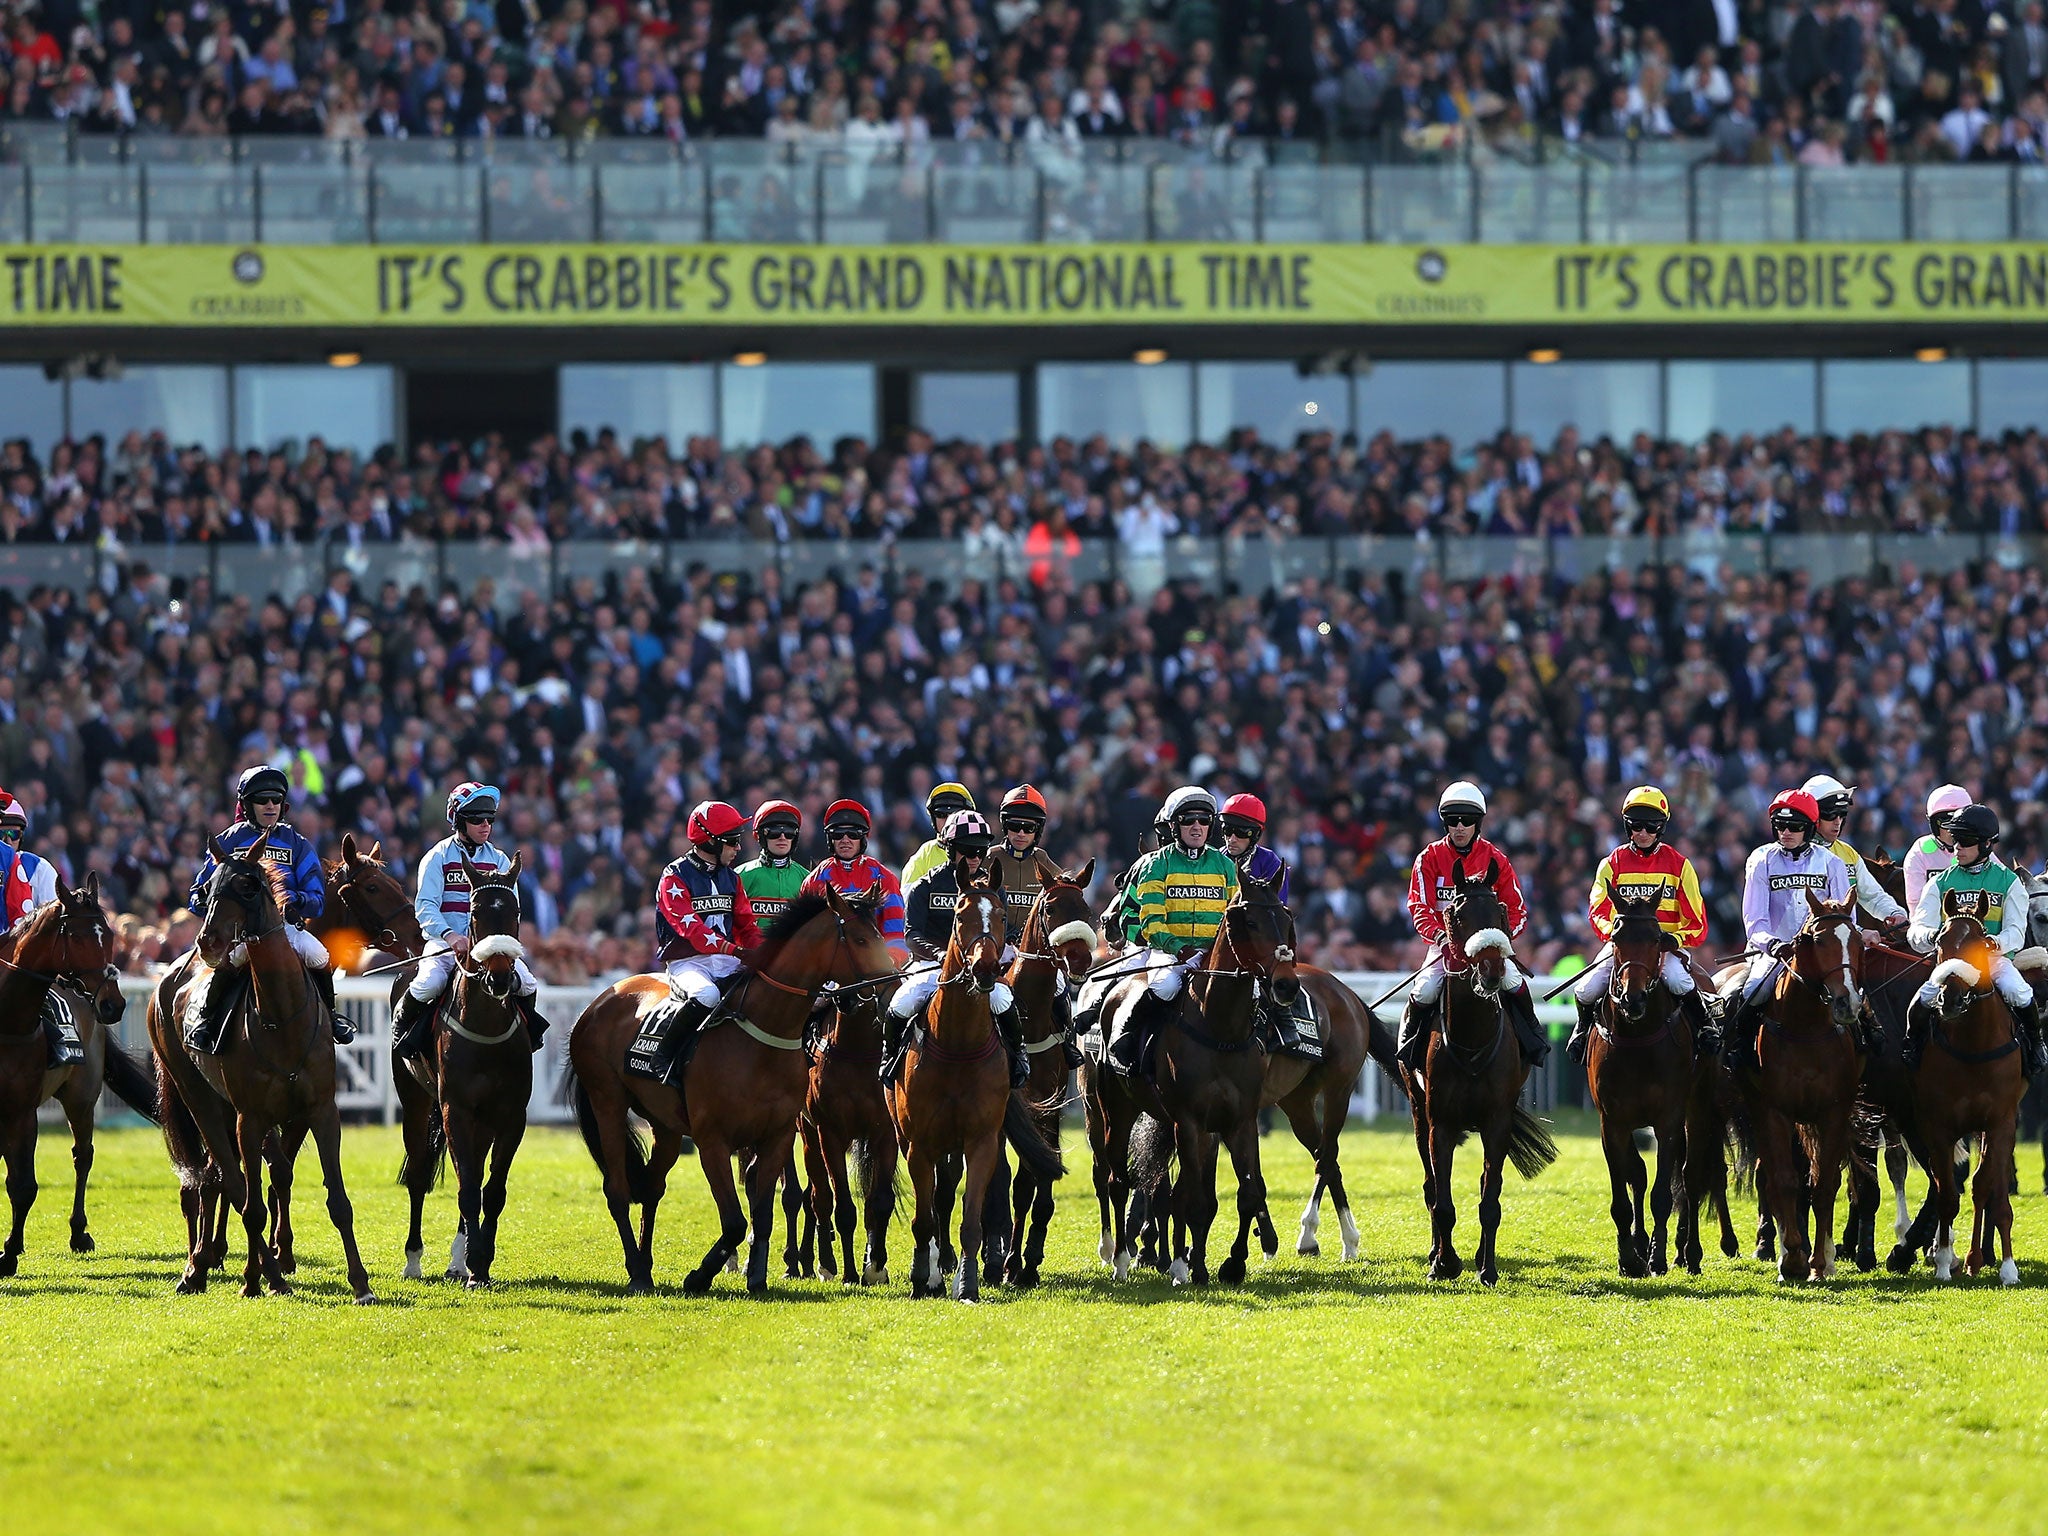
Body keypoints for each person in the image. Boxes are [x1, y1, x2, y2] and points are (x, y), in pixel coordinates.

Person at [185, 765, 347, 1051]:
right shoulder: (228, 841)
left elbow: (317, 899)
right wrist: (209, 907)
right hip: (239, 932)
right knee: (231, 960)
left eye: (275, 799)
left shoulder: (298, 844)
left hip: (282, 927)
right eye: (262, 800)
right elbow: (199, 891)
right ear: (247, 806)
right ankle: (206, 1022)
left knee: (320, 955)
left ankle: (331, 1017)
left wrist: (294, 902)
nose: (270, 805)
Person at [389, 782, 547, 1058]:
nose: (485, 825)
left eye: (490, 819)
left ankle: (529, 1034)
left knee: (527, 982)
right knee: (429, 984)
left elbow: (513, 908)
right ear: (458, 820)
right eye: (477, 819)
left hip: (491, 947)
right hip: (446, 944)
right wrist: (451, 935)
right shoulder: (437, 857)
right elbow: (425, 907)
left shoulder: (499, 859)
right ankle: (401, 1030)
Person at [1400, 782, 1547, 1069]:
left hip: (1489, 947)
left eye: (1467, 820)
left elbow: (1517, 910)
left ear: (1478, 823)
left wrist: (1500, 940)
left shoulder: (1496, 859)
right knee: (1426, 989)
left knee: (1514, 982)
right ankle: (1408, 1046)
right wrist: (1442, 937)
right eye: (1452, 820)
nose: (1459, 827)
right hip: (1445, 946)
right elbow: (1419, 907)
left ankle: (1534, 1037)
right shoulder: (1428, 858)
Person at [1567, 785, 1714, 1064]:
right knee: (1586, 989)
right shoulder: (1612, 863)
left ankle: (1706, 1028)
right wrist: (1615, 932)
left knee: (1681, 982)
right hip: (1623, 948)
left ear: (1662, 828)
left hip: (1664, 949)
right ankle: (1582, 1030)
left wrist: (1676, 940)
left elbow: (1697, 922)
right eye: (1636, 826)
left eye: (1651, 826)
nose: (1643, 833)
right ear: (1626, 826)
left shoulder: (1680, 866)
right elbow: (1598, 909)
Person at [886, 809, 1030, 1086]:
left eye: (981, 850)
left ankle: (1018, 1056)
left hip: (978, 967)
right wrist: (940, 955)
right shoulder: (924, 887)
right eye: (968, 849)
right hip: (931, 965)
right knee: (903, 1001)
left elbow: (1000, 931)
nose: (976, 857)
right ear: (951, 849)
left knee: (1003, 1000)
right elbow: (911, 935)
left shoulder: (992, 889)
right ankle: (890, 1055)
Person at [1103, 785, 1239, 1077]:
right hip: (1169, 953)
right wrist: (1181, 949)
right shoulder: (1155, 865)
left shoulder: (1226, 865)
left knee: (1251, 990)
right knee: (1165, 987)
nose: (1197, 826)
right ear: (1174, 826)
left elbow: (1234, 917)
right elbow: (1151, 922)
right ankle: (1128, 1034)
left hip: (1212, 955)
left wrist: (1214, 952)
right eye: (1188, 820)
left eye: (1204, 820)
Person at [1902, 803, 2046, 1077]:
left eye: (1966, 842)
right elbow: (1916, 931)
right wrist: (1932, 936)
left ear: (1987, 844)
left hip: (1993, 962)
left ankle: (2036, 1045)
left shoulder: (2009, 882)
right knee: (1921, 999)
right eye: (1955, 840)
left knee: (2020, 993)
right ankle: (1913, 1045)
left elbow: (2016, 932)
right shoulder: (1939, 883)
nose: (1958, 848)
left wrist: (1995, 944)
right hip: (1951, 965)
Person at [1718, 789, 1851, 1070]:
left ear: (1810, 829)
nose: (1786, 832)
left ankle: (1867, 1048)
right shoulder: (1761, 859)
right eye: (1780, 826)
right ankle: (1741, 1052)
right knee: (1753, 990)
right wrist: (1773, 944)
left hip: (1821, 953)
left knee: (1852, 991)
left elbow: (1845, 918)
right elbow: (1754, 918)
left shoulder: (1832, 863)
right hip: (1774, 953)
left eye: (1795, 827)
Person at [640, 800, 762, 1083]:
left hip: (729, 959)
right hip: (688, 962)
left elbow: (747, 926)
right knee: (707, 996)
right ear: (710, 841)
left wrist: (765, 951)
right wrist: (735, 950)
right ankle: (664, 1055)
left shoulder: (732, 878)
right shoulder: (674, 876)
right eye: (732, 841)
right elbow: (692, 929)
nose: (739, 848)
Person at [1073, 786, 1187, 1039]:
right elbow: (1123, 914)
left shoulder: (1199, 870)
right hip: (1144, 943)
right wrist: (1147, 938)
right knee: (1130, 967)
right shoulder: (1144, 867)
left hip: (1185, 946)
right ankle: (1098, 1010)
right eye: (1166, 835)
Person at [802, 799, 907, 965]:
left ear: (863, 838)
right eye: (838, 834)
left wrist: (887, 963)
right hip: (826, 971)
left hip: (876, 969)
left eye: (853, 834)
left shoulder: (885, 878)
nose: (845, 840)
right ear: (830, 839)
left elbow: (896, 936)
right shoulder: (814, 880)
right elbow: (806, 938)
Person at [1802, 774, 1909, 935]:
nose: (1837, 821)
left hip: (1844, 945)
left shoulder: (1848, 853)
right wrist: (1858, 931)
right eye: (1830, 814)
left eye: (1842, 814)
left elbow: (1872, 896)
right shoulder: (1795, 855)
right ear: (1811, 814)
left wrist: (1895, 913)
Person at [736, 799, 807, 925]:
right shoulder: (739, 876)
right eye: (774, 832)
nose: (782, 837)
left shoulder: (806, 879)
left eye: (789, 832)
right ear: (760, 836)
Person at [1905, 784, 1974, 910]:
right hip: (1933, 926)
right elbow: (1916, 904)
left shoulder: (1980, 848)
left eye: (1960, 821)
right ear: (1933, 824)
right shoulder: (1919, 852)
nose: (1953, 828)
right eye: (1945, 820)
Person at [901, 782, 978, 886]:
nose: (948, 821)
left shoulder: (982, 853)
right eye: (941, 815)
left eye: (955, 814)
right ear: (933, 819)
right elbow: (907, 899)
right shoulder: (923, 857)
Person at [1218, 793, 1291, 900]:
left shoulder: (1270, 864)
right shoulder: (1215, 859)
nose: (1232, 839)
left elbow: (1277, 909)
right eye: (1227, 830)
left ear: (1256, 835)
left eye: (1240, 832)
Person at [0, 791, 59, 912]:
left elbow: (53, 919)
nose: (8, 841)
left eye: (14, 834)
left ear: (22, 836)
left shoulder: (40, 869)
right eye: (1, 834)